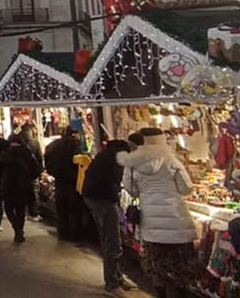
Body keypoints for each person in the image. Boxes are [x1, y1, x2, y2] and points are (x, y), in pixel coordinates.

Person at [119, 127, 199, 298]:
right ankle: (181, 294)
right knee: (180, 264)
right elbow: (187, 188)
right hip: (177, 219)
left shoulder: (133, 163)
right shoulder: (172, 160)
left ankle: (160, 294)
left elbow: (131, 190)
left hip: (152, 222)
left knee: (156, 264)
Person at [82, 139, 137, 293]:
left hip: (94, 197)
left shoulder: (110, 153)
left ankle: (116, 276)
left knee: (108, 238)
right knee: (112, 240)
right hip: (102, 199)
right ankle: (112, 282)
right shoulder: (118, 157)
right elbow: (119, 179)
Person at [0, 135, 41, 243]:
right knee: (20, 210)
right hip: (23, 186)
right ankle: (19, 230)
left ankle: (16, 227)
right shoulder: (27, 153)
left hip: (8, 186)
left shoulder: (4, 154)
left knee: (9, 209)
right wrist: (29, 177)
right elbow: (36, 169)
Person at [45, 127, 85, 241]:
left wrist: (53, 172)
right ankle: (75, 236)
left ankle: (63, 233)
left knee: (62, 210)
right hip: (74, 181)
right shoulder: (76, 145)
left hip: (59, 181)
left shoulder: (54, 145)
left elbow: (47, 160)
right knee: (74, 210)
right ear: (74, 134)